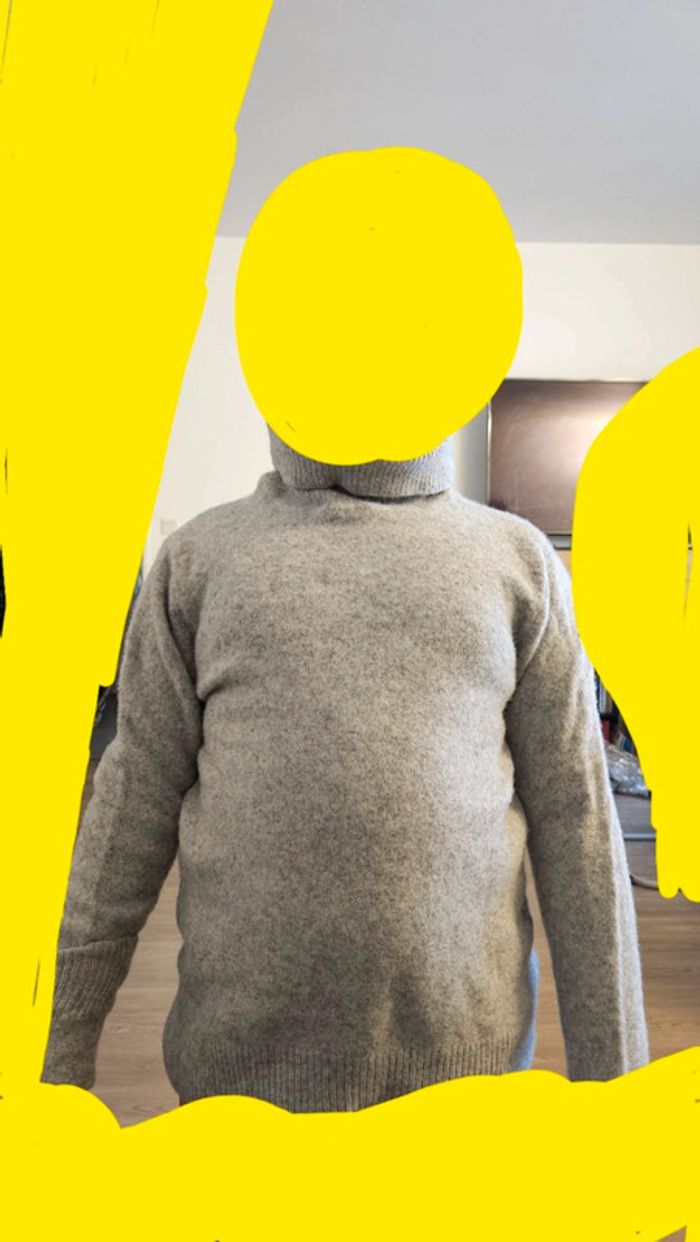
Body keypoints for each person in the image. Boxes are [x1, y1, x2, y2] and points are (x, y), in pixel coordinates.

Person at [41, 149, 649, 1111]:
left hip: (468, 1088)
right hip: (237, 1090)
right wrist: (50, 1068)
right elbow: (127, 816)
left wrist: (618, 1098)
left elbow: (579, 826)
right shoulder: (199, 564)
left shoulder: (520, 565)